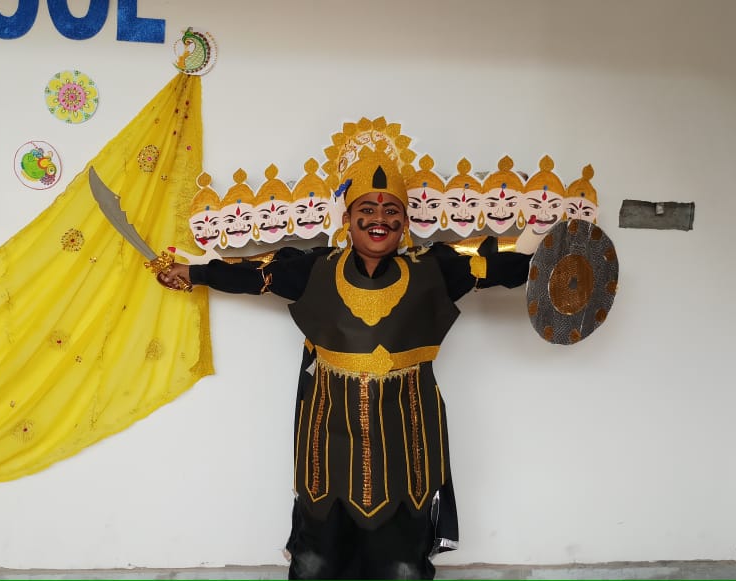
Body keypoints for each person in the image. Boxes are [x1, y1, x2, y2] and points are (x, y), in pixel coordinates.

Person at [158, 144, 533, 579]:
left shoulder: (435, 270)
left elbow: (501, 269)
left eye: (391, 210)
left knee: (401, 556)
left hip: (407, 429)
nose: (379, 219)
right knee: (320, 548)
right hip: (329, 428)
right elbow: (254, 277)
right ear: (348, 218)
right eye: (367, 209)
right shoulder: (315, 269)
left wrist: (559, 265)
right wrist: (195, 273)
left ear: (405, 222)